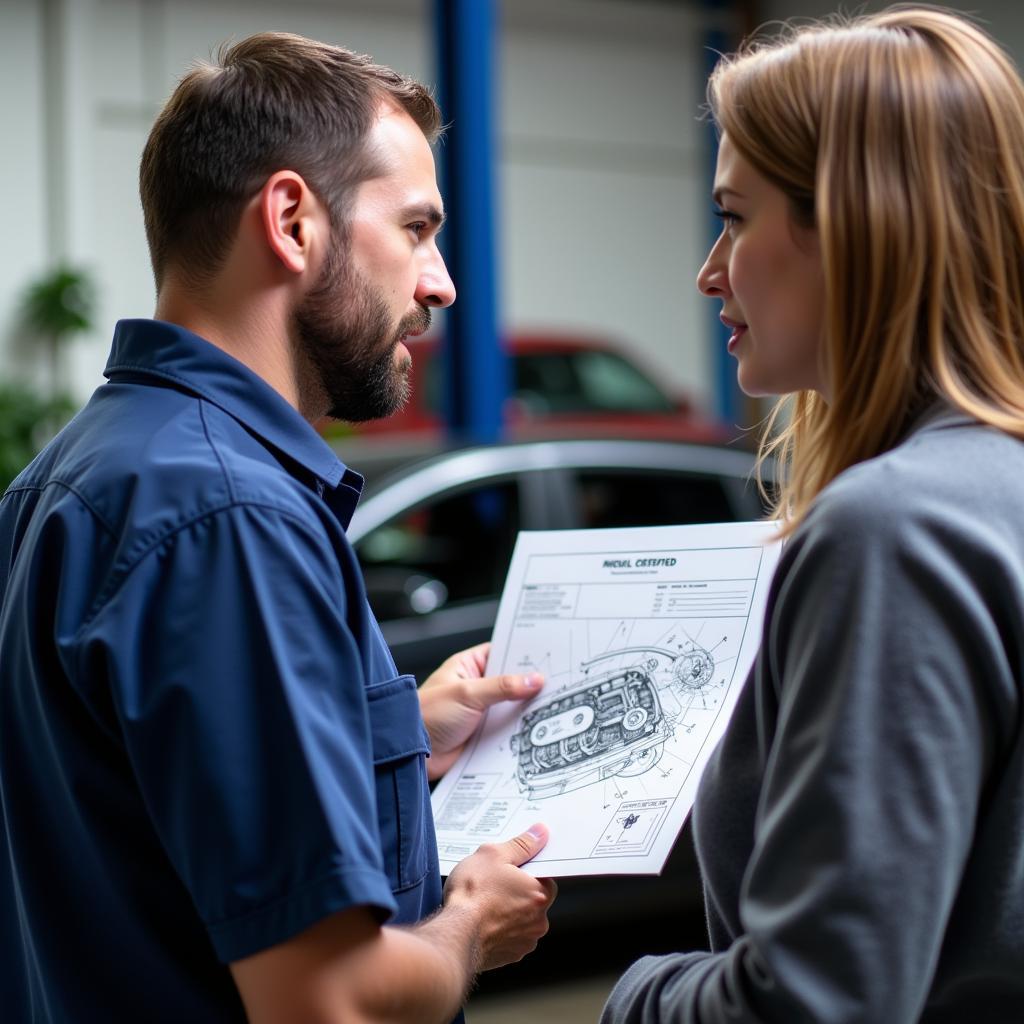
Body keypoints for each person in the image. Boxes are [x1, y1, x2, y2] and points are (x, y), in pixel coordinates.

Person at [0, 33, 557, 1024]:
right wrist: (468, 919)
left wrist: (399, 737)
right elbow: (325, 998)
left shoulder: (73, 473)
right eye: (417, 229)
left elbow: (133, 808)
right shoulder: (229, 516)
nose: (441, 284)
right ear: (293, 220)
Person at [602, 7, 1024, 1022]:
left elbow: (815, 998)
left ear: (856, 226)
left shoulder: (894, 530)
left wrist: (637, 996)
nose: (709, 270)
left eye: (736, 217)